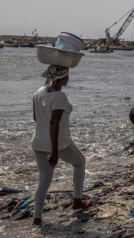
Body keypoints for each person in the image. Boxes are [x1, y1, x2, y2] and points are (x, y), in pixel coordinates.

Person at [31, 65, 90, 225]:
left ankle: (37, 218)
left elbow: (36, 118)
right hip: (59, 143)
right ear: (62, 79)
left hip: (38, 142)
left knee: (44, 179)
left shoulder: (38, 92)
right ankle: (77, 201)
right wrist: (55, 151)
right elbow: (53, 123)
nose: (68, 79)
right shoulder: (60, 96)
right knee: (80, 162)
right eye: (67, 76)